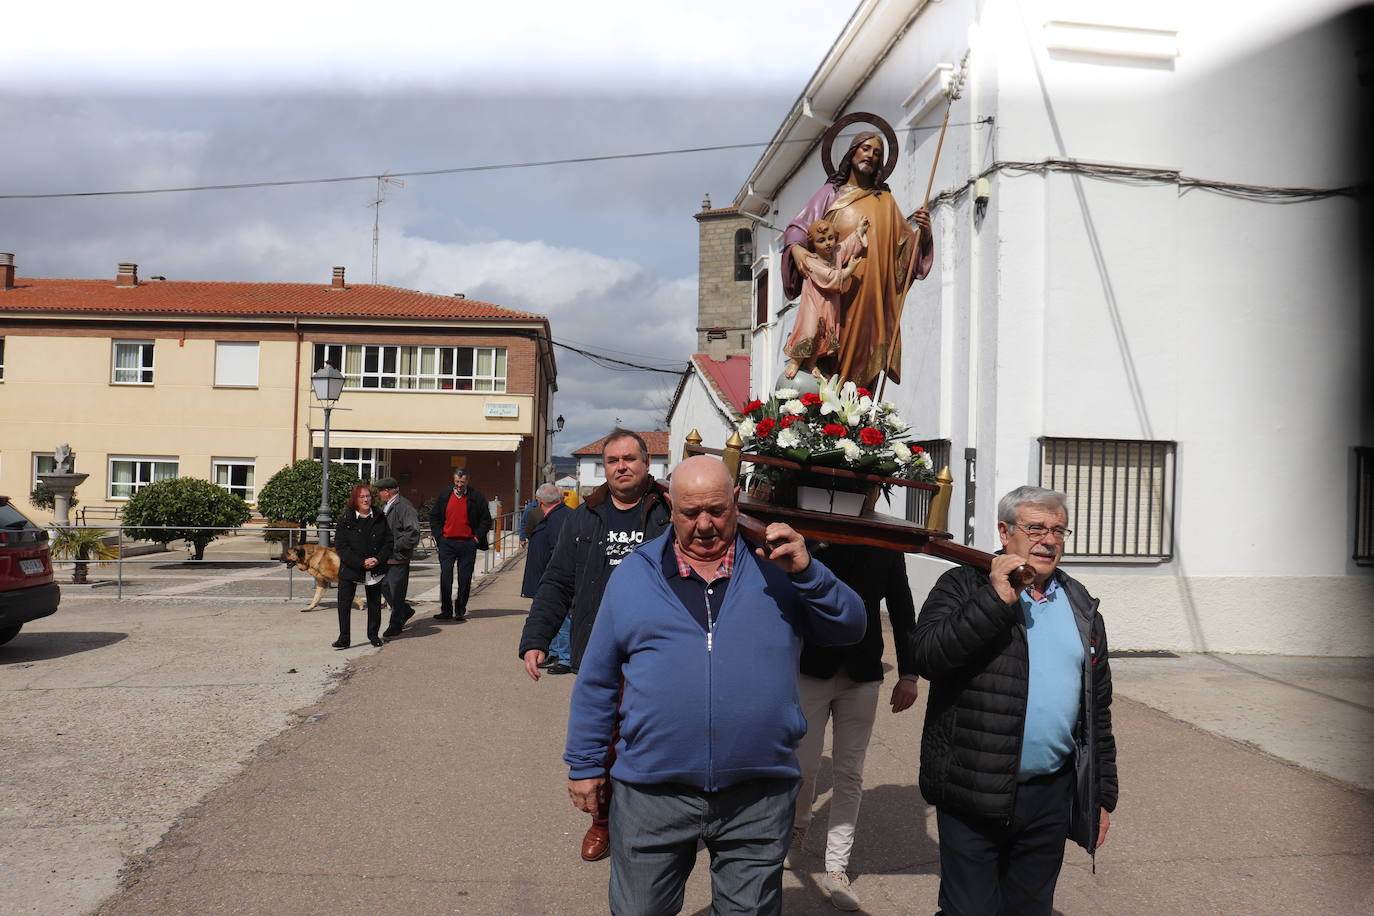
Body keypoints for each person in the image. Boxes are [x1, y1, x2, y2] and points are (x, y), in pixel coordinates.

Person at [565, 455, 866, 914]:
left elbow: (851, 627)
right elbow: (598, 679)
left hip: (758, 792)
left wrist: (809, 574)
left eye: (717, 510)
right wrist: (585, 764)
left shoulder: (779, 569)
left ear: (736, 501)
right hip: (652, 792)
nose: (704, 525)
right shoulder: (634, 575)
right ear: (670, 505)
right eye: (690, 512)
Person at [913, 486, 1117, 915]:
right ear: (1005, 533)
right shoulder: (962, 584)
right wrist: (994, 600)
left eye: (1059, 530)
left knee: (1029, 909)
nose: (1049, 539)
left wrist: (1100, 796)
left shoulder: (1080, 603)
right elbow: (928, 655)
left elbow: (1097, 711)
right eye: (1036, 528)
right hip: (973, 787)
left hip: (1049, 795)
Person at [518, 428, 672, 861]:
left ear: (647, 464)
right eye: (613, 460)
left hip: (658, 655)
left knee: (654, 743)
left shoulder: (669, 513)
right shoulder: (583, 518)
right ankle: (602, 823)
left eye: (630, 459)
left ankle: (656, 823)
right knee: (601, 746)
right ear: (604, 468)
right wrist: (536, 638)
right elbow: (557, 582)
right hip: (599, 653)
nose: (621, 466)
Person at [791, 543, 920, 911]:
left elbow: (901, 607)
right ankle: (798, 827)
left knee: (849, 774)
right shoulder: (812, 536)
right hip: (810, 669)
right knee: (803, 766)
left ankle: (836, 866)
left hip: (862, 675)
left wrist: (909, 672)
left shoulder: (888, 547)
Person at [783, 130, 935, 390]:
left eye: (877, 153)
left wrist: (925, 233)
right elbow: (798, 228)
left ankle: (858, 419)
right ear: (852, 152)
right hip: (833, 293)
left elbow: (905, 251)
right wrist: (796, 249)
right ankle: (825, 415)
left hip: (870, 294)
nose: (871, 155)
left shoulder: (884, 201)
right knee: (827, 347)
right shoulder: (830, 193)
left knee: (863, 358)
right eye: (865, 148)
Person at [782, 217, 867, 380]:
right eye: (821, 240)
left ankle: (811, 361)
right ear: (813, 244)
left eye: (830, 238)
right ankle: (796, 360)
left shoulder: (836, 253)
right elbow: (829, 278)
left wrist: (860, 231)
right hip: (814, 303)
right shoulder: (810, 260)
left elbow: (848, 245)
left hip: (829, 304)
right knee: (810, 330)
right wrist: (849, 270)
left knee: (825, 333)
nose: (828, 243)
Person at [332, 484, 393, 650]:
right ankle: (344, 638)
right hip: (351, 567)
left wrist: (378, 559)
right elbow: (341, 546)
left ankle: (373, 635)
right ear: (355, 500)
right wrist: (360, 562)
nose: (366, 499)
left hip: (375, 567)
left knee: (374, 603)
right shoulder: (345, 520)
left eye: (368, 496)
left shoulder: (380, 516)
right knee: (344, 603)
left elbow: (388, 542)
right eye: (362, 497)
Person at [428, 467, 492, 622]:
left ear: (468, 481)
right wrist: (439, 536)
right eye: (457, 481)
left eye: (462, 482)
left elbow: (486, 520)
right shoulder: (445, 495)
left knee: (465, 579)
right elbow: (434, 516)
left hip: (467, 544)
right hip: (447, 543)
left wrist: (476, 537)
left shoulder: (476, 497)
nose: (459, 485)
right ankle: (446, 610)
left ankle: (460, 609)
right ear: (453, 480)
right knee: (446, 578)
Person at [521, 483, 571, 669]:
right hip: (547, 576)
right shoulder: (555, 516)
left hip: (555, 580)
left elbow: (558, 552)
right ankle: (555, 652)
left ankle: (565, 658)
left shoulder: (558, 518)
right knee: (554, 615)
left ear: (539, 500)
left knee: (562, 617)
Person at [375, 477, 420, 640]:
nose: (378, 494)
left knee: (396, 591)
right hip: (385, 557)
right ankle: (405, 611)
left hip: (398, 557)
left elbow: (413, 533)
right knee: (383, 586)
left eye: (380, 491)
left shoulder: (404, 507)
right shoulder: (386, 506)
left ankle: (396, 624)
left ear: (387, 491)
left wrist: (395, 546)